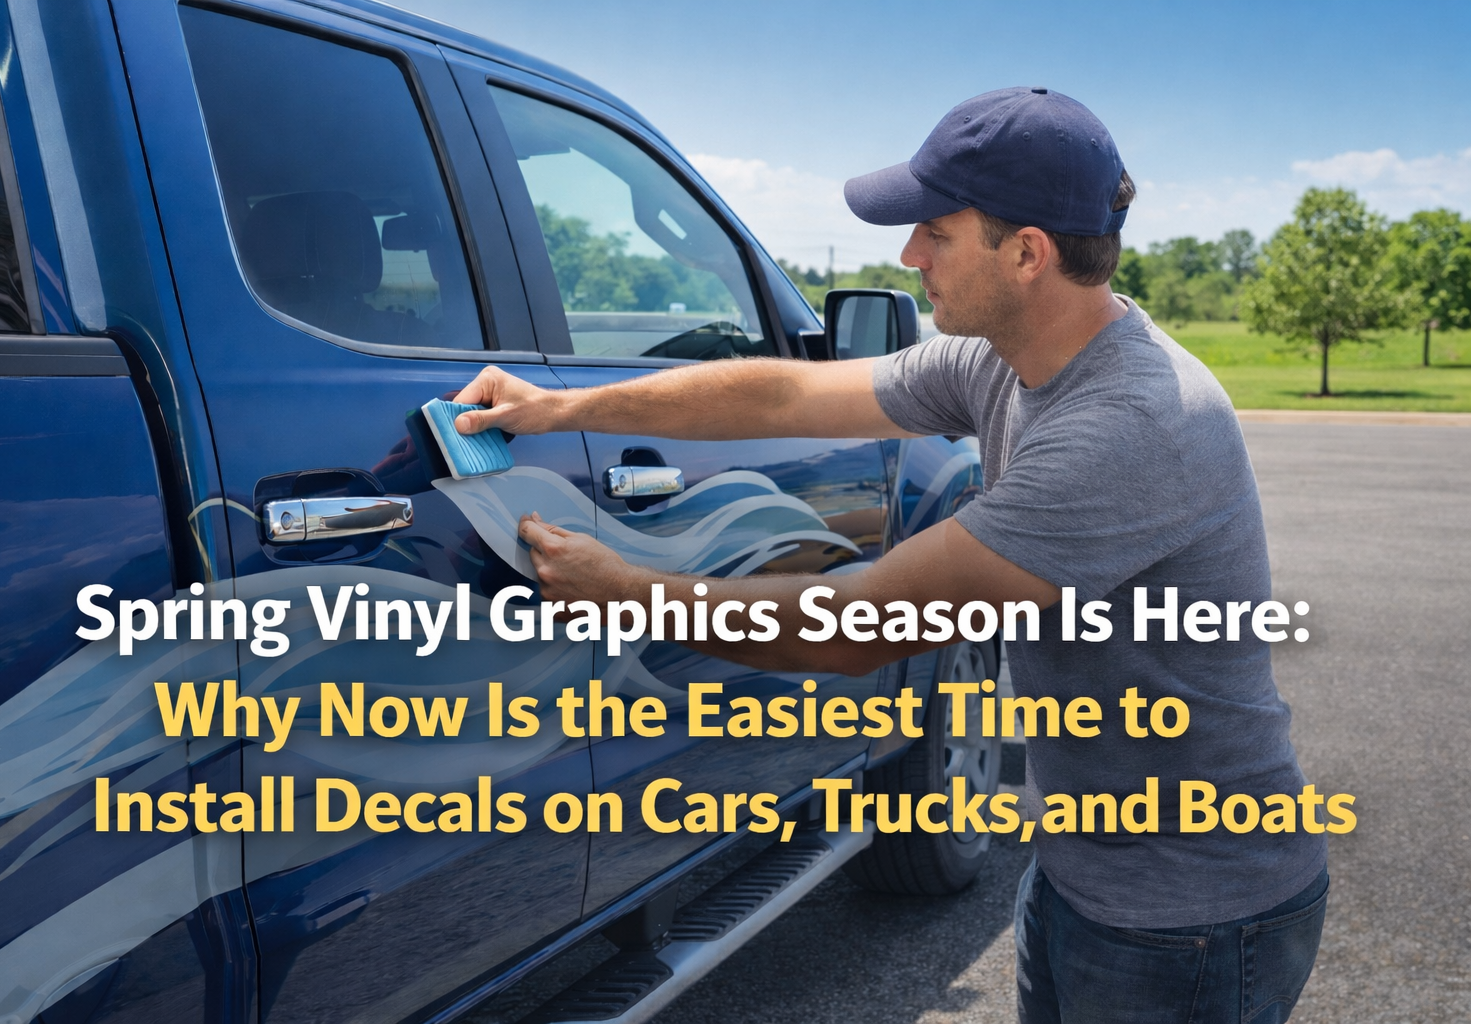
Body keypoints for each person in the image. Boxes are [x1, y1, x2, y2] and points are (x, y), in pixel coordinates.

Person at [454, 87, 1328, 1024]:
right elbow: (786, 398)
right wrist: (563, 407)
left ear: (1027, 253)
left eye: (936, 233)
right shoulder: (1004, 358)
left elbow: (857, 626)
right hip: (1086, 873)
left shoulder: (1130, 426)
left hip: (1191, 920)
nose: (909, 255)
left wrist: (622, 589)